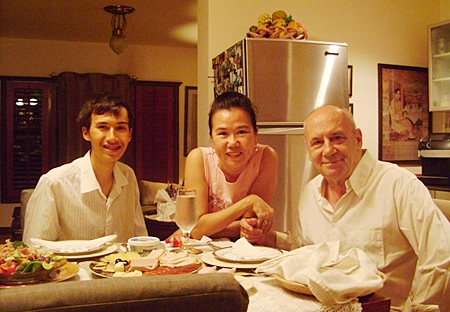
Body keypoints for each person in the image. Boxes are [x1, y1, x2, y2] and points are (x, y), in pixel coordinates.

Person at [241, 104, 450, 311]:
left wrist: (417, 308)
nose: (328, 150)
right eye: (317, 142)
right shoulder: (311, 192)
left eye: (337, 138)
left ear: (358, 139)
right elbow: (308, 250)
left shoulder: (398, 185)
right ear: (308, 151)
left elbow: (441, 255)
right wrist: (267, 238)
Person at [23, 94, 148, 244]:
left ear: (129, 135)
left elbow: (140, 239)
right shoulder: (54, 183)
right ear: (86, 133)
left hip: (123, 267)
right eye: (103, 127)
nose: (112, 137)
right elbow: (35, 252)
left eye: (120, 128)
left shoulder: (128, 176)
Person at [174, 91, 278, 241]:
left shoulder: (266, 158)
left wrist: (209, 227)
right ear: (211, 138)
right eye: (223, 133)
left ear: (255, 135)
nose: (233, 143)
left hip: (246, 250)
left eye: (241, 132)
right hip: (200, 250)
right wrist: (248, 202)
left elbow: (252, 226)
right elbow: (195, 229)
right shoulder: (199, 159)